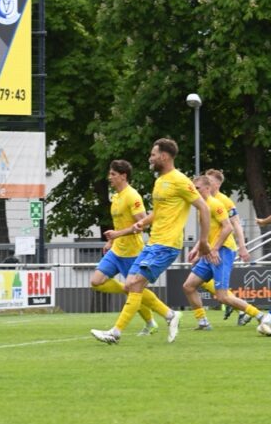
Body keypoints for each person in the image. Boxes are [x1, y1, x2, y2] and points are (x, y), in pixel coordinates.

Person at [91, 138, 211, 344]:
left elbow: (204, 208)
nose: (150, 158)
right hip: (153, 242)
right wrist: (141, 223)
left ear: (164, 156)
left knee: (134, 283)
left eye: (153, 154)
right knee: (130, 285)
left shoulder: (180, 180)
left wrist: (203, 242)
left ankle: (115, 333)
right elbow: (158, 212)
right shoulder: (159, 181)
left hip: (167, 244)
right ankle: (170, 315)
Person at [182, 174, 269, 330]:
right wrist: (197, 248)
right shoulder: (201, 207)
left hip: (222, 252)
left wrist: (216, 248)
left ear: (207, 188)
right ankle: (203, 322)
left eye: (197, 188)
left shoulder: (216, 204)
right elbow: (206, 232)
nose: (194, 191)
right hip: (210, 252)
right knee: (188, 286)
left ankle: (261, 316)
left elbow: (228, 227)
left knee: (222, 296)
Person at [90, 160, 161, 336]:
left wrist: (118, 234)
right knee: (96, 282)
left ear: (123, 176)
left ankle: (162, 317)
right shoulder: (116, 197)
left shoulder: (132, 196)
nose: (109, 177)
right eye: (110, 174)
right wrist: (111, 241)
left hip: (132, 252)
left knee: (135, 290)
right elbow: (119, 224)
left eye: (113, 174)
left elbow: (142, 224)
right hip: (117, 250)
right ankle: (156, 316)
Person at [203, 169, 250, 323]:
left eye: (210, 180)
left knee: (218, 290)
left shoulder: (225, 201)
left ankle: (246, 310)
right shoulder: (204, 200)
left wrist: (242, 247)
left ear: (217, 184)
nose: (206, 183)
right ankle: (233, 303)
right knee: (193, 282)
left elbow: (236, 224)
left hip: (222, 248)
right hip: (210, 248)